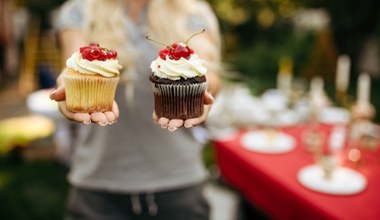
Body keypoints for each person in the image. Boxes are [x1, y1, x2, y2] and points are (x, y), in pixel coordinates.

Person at [50, 0, 222, 219]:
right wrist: (68, 87)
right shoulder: (79, 10)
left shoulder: (192, 10)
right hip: (97, 188)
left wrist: (204, 89)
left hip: (179, 186)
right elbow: (74, 63)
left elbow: (209, 72)